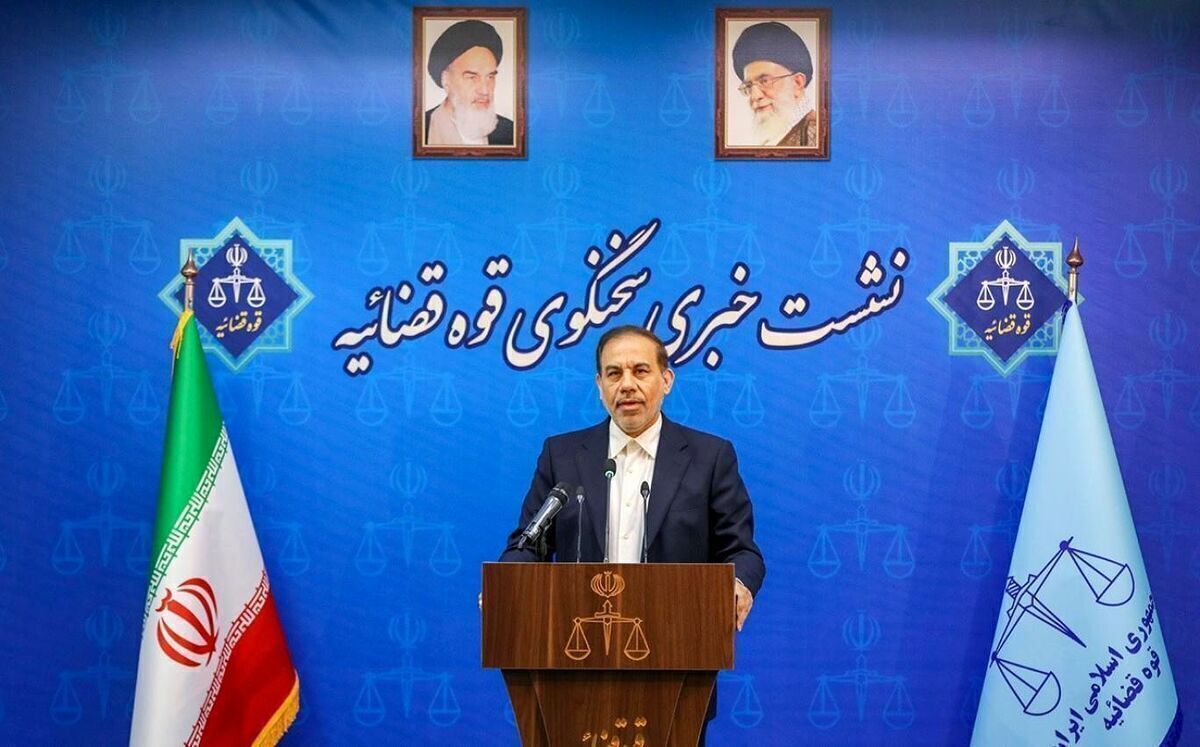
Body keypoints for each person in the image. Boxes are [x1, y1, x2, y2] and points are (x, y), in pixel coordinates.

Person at [500, 325, 765, 628]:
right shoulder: (561, 456)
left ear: (666, 380)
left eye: (640, 371)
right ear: (600, 385)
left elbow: (741, 550)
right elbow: (528, 545)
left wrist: (739, 584)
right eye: (614, 374)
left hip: (679, 631)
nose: (627, 385)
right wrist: (507, 582)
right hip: (580, 634)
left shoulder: (710, 457)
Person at [424, 19, 515, 146]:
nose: (485, 90)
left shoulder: (510, 132)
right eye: (472, 77)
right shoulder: (419, 128)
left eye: (490, 77)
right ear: (446, 80)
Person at [731, 21, 818, 147]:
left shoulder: (818, 135)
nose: (755, 96)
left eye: (765, 81)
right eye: (749, 86)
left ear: (797, 83)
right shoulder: (777, 135)